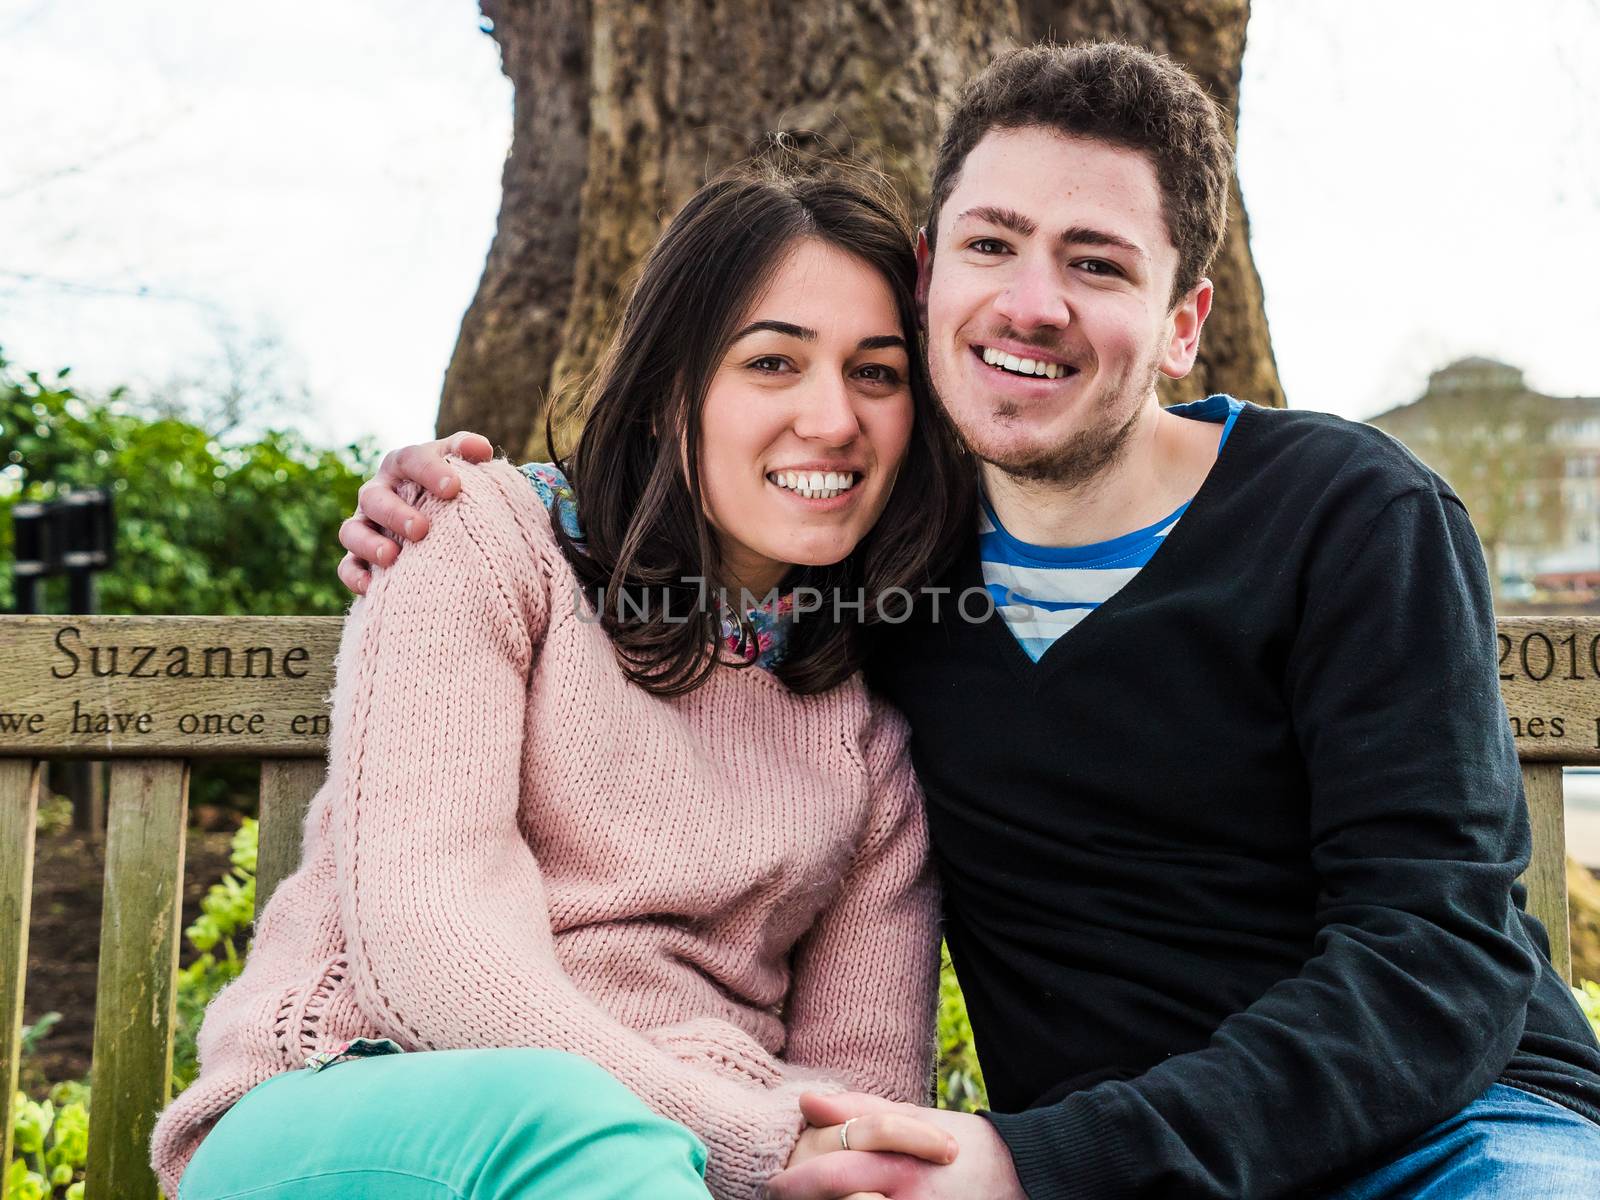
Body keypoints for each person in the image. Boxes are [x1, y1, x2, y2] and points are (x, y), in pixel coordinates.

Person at [340, 41, 1600, 1200]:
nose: (1033, 301)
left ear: (1180, 326)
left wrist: (1040, 1163)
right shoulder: (880, 558)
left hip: (1451, 1136)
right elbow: (655, 531)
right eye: (992, 244)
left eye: (1096, 263)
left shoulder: (1348, 516)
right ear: (932, 276)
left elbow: (1439, 957)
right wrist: (456, 504)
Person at [150, 159, 982, 1200]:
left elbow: (858, 1099)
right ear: (663, 394)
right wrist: (749, 1136)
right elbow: (432, 948)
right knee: (575, 1128)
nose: (832, 419)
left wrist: (809, 1155)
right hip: (358, 1107)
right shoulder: (482, 536)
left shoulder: (867, 739)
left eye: (877, 372)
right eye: (773, 363)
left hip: (664, 1172)